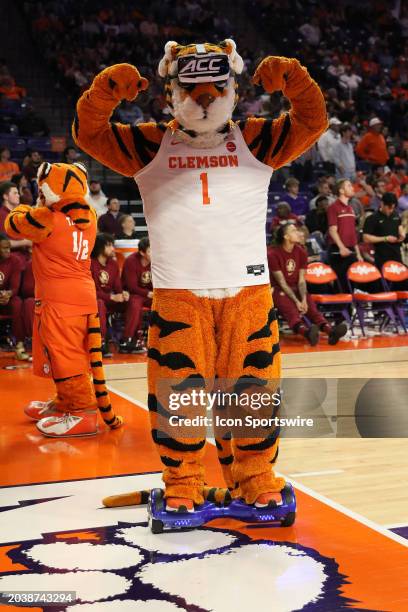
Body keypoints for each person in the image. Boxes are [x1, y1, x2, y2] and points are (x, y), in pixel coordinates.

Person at [5, 161, 123, 437]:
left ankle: (82, 413)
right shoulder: (91, 215)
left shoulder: (47, 218)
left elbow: (12, 225)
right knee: (72, 354)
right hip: (82, 293)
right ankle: (66, 402)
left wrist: (28, 205)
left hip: (59, 299)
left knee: (65, 356)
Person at [268, 223, 347, 345]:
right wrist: (297, 301)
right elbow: (282, 282)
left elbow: (301, 280)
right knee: (292, 312)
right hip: (279, 289)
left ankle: (331, 332)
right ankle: (307, 333)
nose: (299, 233)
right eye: (294, 231)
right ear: (286, 237)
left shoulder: (301, 251)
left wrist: (303, 299)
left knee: (312, 310)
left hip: (296, 288)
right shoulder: (272, 254)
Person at [90, 232, 144, 355]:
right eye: (109, 245)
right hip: (96, 300)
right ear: (99, 247)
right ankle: (101, 342)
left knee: (134, 300)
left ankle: (128, 340)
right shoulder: (90, 263)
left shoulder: (113, 264)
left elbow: (118, 287)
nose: (112, 249)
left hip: (110, 300)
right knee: (99, 303)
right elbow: (91, 291)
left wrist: (123, 294)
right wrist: (112, 297)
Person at [327, 179, 362, 291]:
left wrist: (358, 253)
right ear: (341, 190)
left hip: (351, 249)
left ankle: (354, 307)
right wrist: (341, 247)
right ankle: (341, 308)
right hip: (338, 250)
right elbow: (332, 230)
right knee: (341, 283)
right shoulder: (333, 207)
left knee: (354, 282)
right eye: (349, 186)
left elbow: (353, 233)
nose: (352, 188)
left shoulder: (351, 208)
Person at [0, 233, 29, 360]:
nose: (8, 250)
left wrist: (7, 294)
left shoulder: (15, 261)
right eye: (4, 248)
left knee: (17, 303)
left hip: (7, 298)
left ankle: (19, 345)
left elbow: (15, 288)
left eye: (9, 247)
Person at [121, 236, 152, 352]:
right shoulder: (131, 261)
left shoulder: (157, 262)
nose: (154, 253)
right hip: (132, 294)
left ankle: (164, 337)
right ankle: (128, 339)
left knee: (165, 303)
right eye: (150, 250)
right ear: (142, 252)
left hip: (149, 294)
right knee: (135, 303)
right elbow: (131, 287)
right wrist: (148, 293)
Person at [363, 192, 406, 271]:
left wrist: (402, 234)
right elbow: (366, 238)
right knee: (384, 281)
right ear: (382, 203)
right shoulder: (372, 218)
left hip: (396, 254)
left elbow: (399, 226)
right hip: (382, 256)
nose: (391, 210)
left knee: (401, 281)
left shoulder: (396, 215)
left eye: (393, 208)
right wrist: (385, 238)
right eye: (389, 208)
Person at [0, 181, 31, 263]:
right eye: (15, 193)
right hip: (14, 259)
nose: (19, 195)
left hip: (25, 255)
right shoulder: (2, 216)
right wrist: (26, 242)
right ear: (5, 197)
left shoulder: (17, 213)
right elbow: (4, 243)